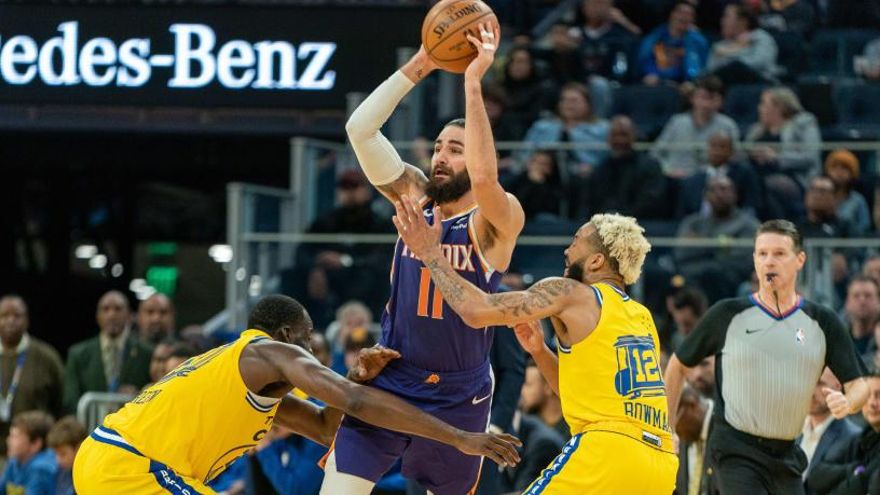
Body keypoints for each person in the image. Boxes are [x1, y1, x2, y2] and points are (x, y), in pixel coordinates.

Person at [325, 22, 526, 494]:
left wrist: (472, 81)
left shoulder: (497, 219)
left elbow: (484, 176)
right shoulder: (414, 195)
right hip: (393, 375)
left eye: (454, 149)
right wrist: (425, 62)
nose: (440, 156)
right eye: (437, 146)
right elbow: (361, 128)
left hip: (461, 393)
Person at [73, 295, 521, 494]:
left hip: (113, 460)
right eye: (309, 340)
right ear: (289, 336)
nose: (314, 351)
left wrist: (355, 377)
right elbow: (356, 405)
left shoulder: (251, 382)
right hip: (128, 464)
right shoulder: (265, 352)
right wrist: (459, 437)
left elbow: (328, 428)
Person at [393, 199, 678, 493]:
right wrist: (540, 352)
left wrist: (429, 252)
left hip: (609, 450)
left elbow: (476, 311)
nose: (567, 251)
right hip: (660, 462)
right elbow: (582, 397)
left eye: (576, 241)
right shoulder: (642, 317)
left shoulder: (571, 292)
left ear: (596, 261)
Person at [664, 219, 870, 495]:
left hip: (787, 455)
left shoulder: (822, 321)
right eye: (762, 254)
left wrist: (848, 402)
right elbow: (677, 366)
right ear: (754, 259)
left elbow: (859, 385)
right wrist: (667, 429)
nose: (769, 262)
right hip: (735, 451)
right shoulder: (727, 314)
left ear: (800, 260)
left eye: (779, 254)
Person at [63, 290, 153, 413]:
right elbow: (70, 399)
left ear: (129, 315)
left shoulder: (146, 352)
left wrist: (138, 394)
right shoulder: (78, 354)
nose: (111, 315)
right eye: (105, 309)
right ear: (97, 316)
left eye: (118, 309)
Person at [0, 295, 64, 456]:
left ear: (27, 320)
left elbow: (61, 403)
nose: (10, 321)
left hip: (35, 456)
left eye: (17, 316)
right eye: (4, 316)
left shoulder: (47, 357)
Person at [652, 76, 740, 178]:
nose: (706, 104)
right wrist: (667, 170)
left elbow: (736, 159)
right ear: (692, 98)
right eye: (702, 97)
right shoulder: (677, 122)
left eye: (711, 98)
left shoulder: (728, 125)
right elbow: (655, 155)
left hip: (711, 182)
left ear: (720, 101)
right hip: (675, 179)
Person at [801, 368, 861, 495]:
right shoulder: (792, 431)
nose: (811, 391)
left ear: (838, 386)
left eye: (820, 384)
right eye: (808, 382)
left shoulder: (853, 437)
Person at [0, 410, 57, 494]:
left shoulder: (41, 469)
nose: (8, 440)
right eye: (10, 435)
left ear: (35, 444)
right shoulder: (15, 461)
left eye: (15, 436)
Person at [675, 384, 717, 495]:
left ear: (691, 406)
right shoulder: (684, 438)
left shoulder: (726, 429)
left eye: (674, 425)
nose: (674, 434)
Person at [47, 416, 87, 495]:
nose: (58, 460)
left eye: (63, 454)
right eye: (56, 454)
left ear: (78, 448)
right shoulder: (63, 473)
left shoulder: (87, 477)